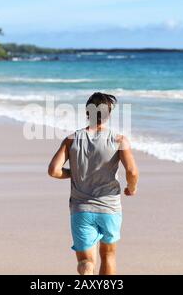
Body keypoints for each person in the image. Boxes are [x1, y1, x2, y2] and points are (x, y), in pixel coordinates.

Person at [48, 92, 139, 275]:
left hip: (81, 208)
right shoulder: (119, 140)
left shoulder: (72, 139)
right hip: (109, 208)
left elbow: (54, 171)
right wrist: (131, 188)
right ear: (108, 114)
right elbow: (132, 171)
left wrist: (74, 173)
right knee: (109, 256)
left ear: (87, 112)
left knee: (86, 261)